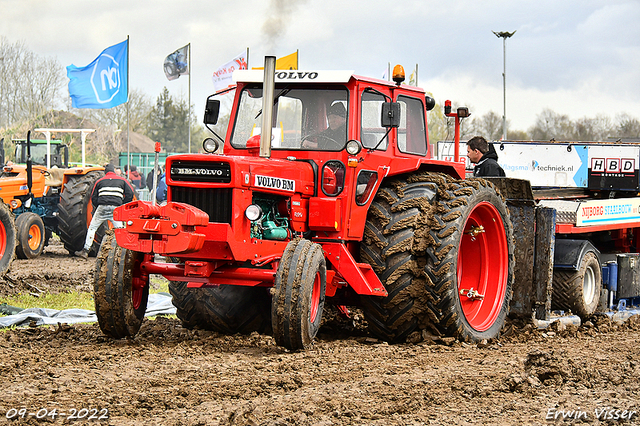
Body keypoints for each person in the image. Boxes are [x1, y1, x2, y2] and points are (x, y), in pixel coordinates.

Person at [74, 164, 135, 259]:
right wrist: (122, 204)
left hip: (102, 207)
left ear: (105, 172)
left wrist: (98, 205)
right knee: (120, 230)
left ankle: (85, 251)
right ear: (114, 171)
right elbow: (130, 193)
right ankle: (123, 252)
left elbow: (93, 197)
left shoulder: (100, 181)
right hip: (116, 208)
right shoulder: (122, 180)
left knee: (92, 228)